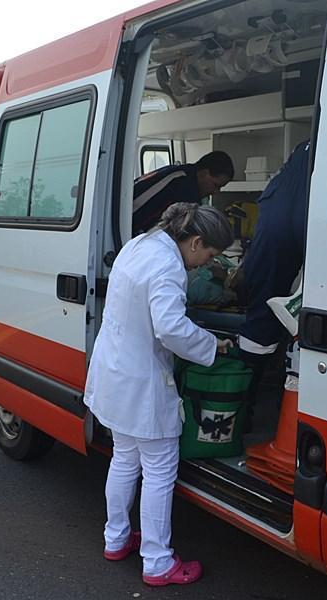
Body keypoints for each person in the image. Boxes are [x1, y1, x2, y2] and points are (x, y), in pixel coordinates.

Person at [84, 203, 234, 587]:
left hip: (115, 372)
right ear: (196, 241)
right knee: (159, 473)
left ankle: (115, 538)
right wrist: (212, 345)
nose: (204, 265)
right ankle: (157, 561)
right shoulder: (169, 266)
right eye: (209, 256)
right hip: (142, 383)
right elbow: (170, 328)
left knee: (123, 459)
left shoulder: (139, 244)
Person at [238, 141, 311, 362]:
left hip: (276, 212)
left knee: (262, 299)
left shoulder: (302, 149)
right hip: (307, 209)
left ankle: (249, 381)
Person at [132, 151, 234, 234]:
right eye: (216, 185)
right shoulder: (181, 184)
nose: (215, 192)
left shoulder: (186, 178)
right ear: (204, 173)